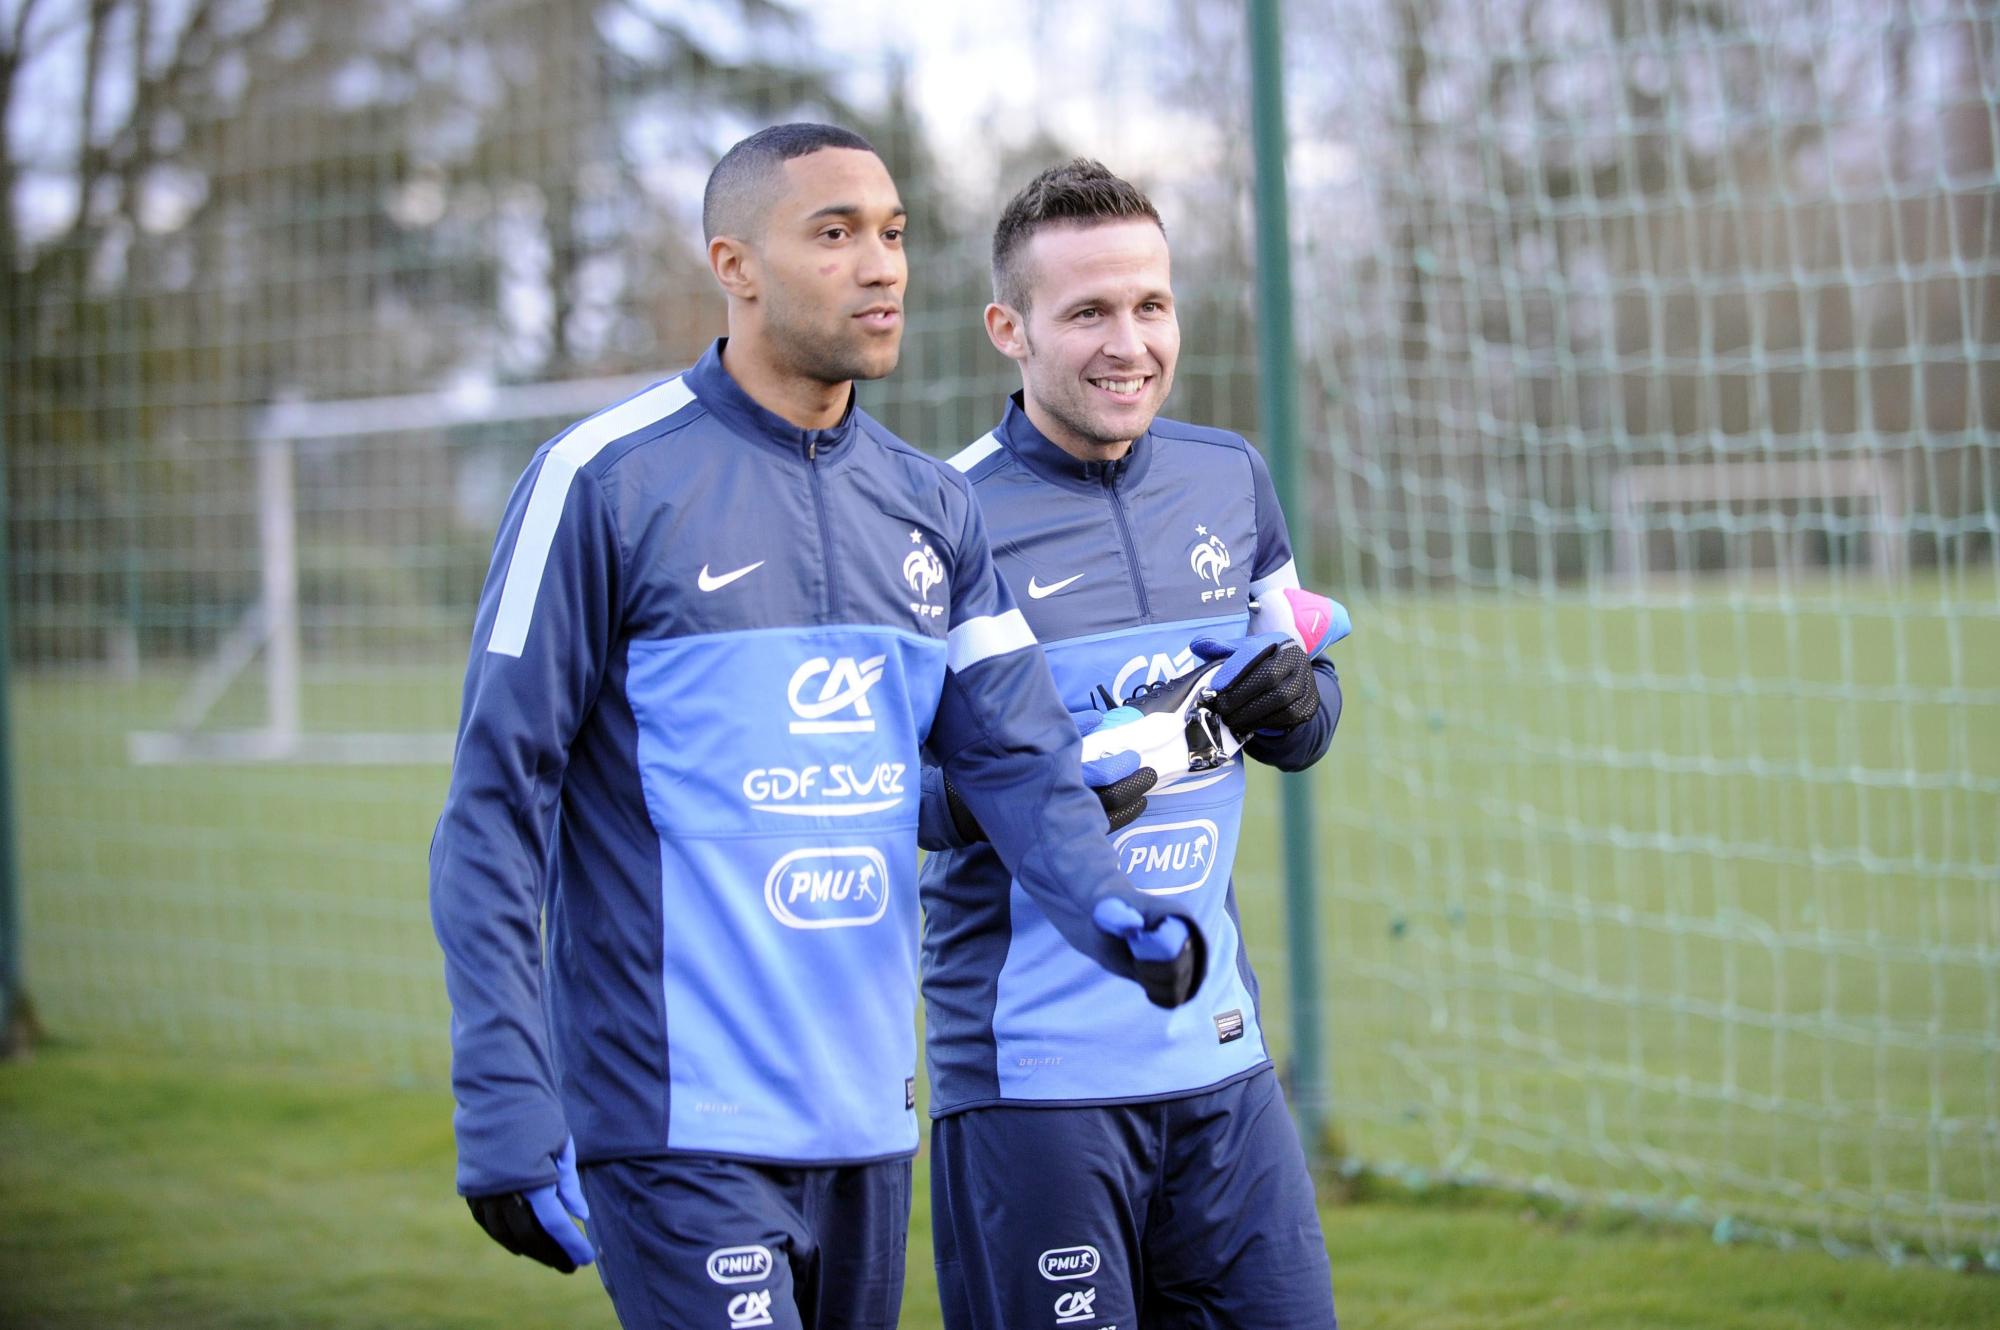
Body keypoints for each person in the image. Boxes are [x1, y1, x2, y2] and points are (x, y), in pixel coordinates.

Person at [428, 126, 1203, 1330]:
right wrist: (502, 1094)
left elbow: (1014, 757)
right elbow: (495, 805)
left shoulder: (931, 507)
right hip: (675, 1114)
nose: (881, 265)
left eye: (891, 233)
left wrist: (1112, 909)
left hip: (865, 1119)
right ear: (732, 264)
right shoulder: (601, 482)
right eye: (834, 234)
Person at [918, 159, 1344, 1330]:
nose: (1128, 343)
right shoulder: (935, 518)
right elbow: (889, 794)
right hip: (1035, 1082)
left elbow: (1306, 715)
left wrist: (1295, 702)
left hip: (1218, 1054)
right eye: (1087, 311)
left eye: (1149, 305)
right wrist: (1043, 796)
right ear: (1009, 327)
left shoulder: (1228, 477)